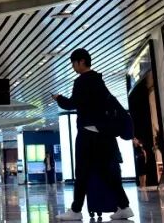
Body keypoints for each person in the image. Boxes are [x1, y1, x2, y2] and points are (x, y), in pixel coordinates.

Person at [53, 48, 132, 221]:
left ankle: (76, 210)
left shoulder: (82, 81)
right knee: (108, 172)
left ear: (81, 61)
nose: (73, 67)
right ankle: (124, 206)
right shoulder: (98, 80)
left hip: (88, 135)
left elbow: (72, 103)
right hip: (104, 135)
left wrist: (59, 98)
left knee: (82, 172)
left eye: (74, 63)